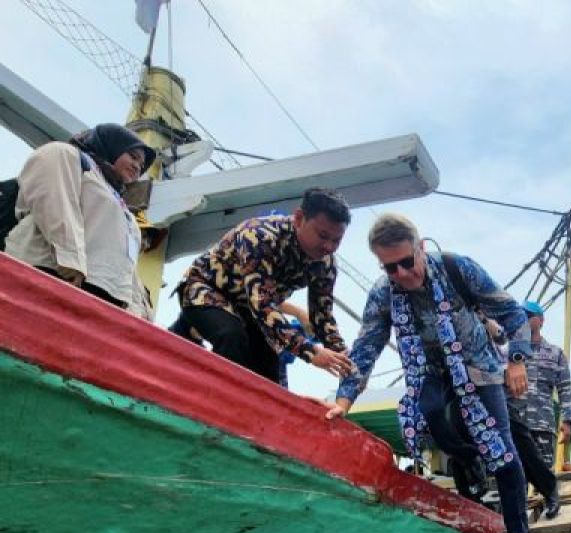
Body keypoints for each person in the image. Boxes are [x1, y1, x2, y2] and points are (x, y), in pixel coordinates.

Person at [326, 213, 542, 533]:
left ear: (421, 249)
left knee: (500, 447)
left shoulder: (460, 269)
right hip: (430, 371)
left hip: (476, 366)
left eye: (406, 262)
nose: (401, 274)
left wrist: (516, 362)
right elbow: (368, 344)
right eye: (390, 268)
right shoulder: (384, 293)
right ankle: (468, 458)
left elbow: (512, 314)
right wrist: (344, 400)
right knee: (428, 415)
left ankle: (520, 532)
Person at [169, 187, 355, 383]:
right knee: (231, 338)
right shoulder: (260, 236)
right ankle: (214, 400)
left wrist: (344, 357)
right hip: (205, 289)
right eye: (323, 236)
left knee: (269, 365)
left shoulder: (326, 264)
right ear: (299, 218)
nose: (328, 246)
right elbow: (262, 303)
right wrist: (309, 351)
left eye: (337, 240)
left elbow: (322, 317)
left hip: (248, 311)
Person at [5, 123, 156, 316]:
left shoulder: (122, 206)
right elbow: (56, 202)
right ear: (112, 145)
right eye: (133, 157)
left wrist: (139, 313)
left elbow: (126, 264)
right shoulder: (69, 156)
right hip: (52, 274)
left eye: (142, 165)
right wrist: (70, 264)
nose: (137, 166)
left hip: (100, 296)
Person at [506, 300, 571, 520]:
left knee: (544, 468)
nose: (524, 318)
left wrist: (567, 421)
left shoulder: (554, 353)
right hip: (516, 421)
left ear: (541, 320)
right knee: (515, 469)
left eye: (529, 315)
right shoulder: (512, 351)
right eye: (521, 315)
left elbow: (565, 388)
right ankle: (516, 516)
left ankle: (551, 502)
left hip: (542, 421)